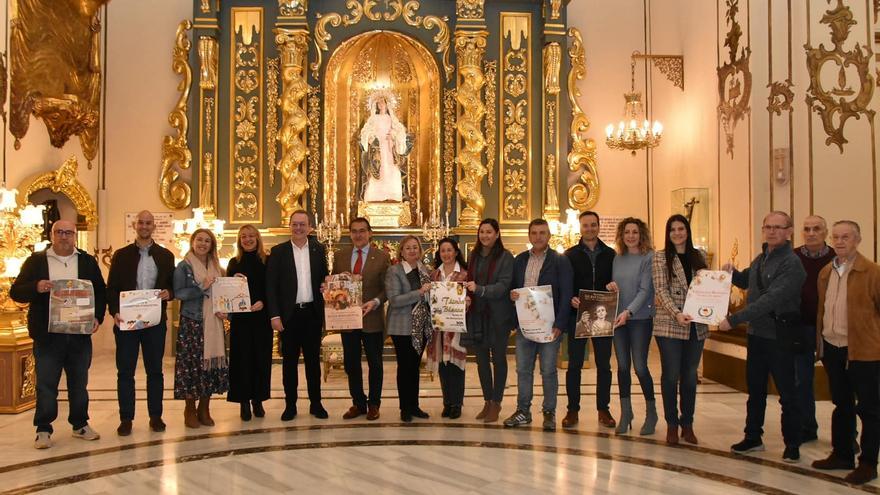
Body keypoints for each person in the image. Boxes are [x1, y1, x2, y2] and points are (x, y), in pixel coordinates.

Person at [11, 220, 106, 449]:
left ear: (75, 236)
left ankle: (80, 424)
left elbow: (100, 291)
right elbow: (16, 292)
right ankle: (43, 429)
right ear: (52, 235)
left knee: (79, 383)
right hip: (47, 336)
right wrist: (36, 286)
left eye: (68, 233)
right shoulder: (36, 261)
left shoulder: (86, 261)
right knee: (46, 384)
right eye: (59, 232)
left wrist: (97, 317)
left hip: (78, 335)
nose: (64, 237)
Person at [720, 211, 806, 463]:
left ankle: (792, 443)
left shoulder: (792, 263)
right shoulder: (761, 257)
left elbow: (771, 299)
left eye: (778, 227)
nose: (771, 231)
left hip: (780, 336)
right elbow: (748, 281)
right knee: (755, 390)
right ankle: (753, 436)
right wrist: (732, 273)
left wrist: (734, 319)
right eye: (767, 227)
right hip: (757, 336)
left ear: (790, 231)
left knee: (787, 393)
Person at [812, 220, 880, 484]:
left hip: (863, 351)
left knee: (869, 409)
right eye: (836, 237)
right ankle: (842, 454)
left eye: (846, 237)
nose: (840, 242)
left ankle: (868, 463)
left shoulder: (872, 272)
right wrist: (820, 343)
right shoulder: (826, 272)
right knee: (841, 404)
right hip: (833, 348)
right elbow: (822, 309)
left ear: (858, 239)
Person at [106, 210, 175, 436]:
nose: (145, 226)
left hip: (154, 322)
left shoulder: (166, 256)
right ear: (136, 226)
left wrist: (170, 293)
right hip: (127, 321)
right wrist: (114, 312)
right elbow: (112, 287)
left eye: (149, 223)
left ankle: (156, 416)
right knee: (125, 371)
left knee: (155, 370)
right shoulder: (121, 255)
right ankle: (126, 418)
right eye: (141, 223)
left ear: (154, 226)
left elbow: (172, 285)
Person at [505, 218, 574, 431]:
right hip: (526, 326)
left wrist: (560, 325)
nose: (538, 237)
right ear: (529, 236)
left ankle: (549, 412)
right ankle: (523, 411)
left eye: (542, 233)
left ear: (549, 236)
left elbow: (566, 293)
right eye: (534, 233)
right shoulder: (520, 260)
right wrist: (513, 295)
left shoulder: (559, 260)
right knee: (523, 370)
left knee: (548, 371)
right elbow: (514, 288)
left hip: (549, 326)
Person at [266, 210, 330, 421]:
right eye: (295, 224)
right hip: (289, 316)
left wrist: (325, 286)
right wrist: (274, 316)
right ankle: (290, 405)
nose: (298, 228)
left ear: (310, 227)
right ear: (290, 226)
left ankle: (316, 404)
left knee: (313, 364)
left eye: (303, 224)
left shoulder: (318, 250)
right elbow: (271, 287)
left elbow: (324, 279)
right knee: (289, 364)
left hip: (311, 314)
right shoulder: (278, 252)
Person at [652, 214, 709, 445]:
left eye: (681, 228)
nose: (677, 233)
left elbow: (707, 288)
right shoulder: (660, 258)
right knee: (670, 375)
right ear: (668, 233)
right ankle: (672, 425)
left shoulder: (700, 256)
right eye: (673, 229)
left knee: (689, 377)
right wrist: (677, 313)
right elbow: (661, 289)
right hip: (670, 324)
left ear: (687, 231)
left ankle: (688, 424)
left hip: (697, 325)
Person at [331, 217, 390, 421]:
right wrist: (331, 284)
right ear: (350, 234)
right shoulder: (340, 256)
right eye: (354, 231)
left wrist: (375, 301)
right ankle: (358, 403)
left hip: (372, 318)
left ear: (370, 233)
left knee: (375, 363)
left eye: (362, 231)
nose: (358, 235)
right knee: (351, 363)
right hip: (347, 319)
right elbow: (332, 284)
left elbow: (387, 289)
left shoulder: (382, 257)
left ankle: (374, 404)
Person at [563, 211, 617, 429]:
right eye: (586, 226)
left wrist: (614, 286)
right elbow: (564, 284)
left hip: (605, 316)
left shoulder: (611, 255)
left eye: (593, 225)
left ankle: (603, 409)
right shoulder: (569, 254)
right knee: (574, 364)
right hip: (578, 316)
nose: (590, 229)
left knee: (604, 365)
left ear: (599, 226)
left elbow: (616, 281)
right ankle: (572, 410)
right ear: (580, 227)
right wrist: (570, 299)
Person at [172, 228, 229, 428]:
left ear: (212, 245)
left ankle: (204, 408)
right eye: (199, 240)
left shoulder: (218, 267)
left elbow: (223, 294)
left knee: (209, 366)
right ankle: (189, 409)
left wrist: (224, 310)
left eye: (207, 241)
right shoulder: (183, 266)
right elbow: (179, 293)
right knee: (192, 367)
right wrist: (201, 287)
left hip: (213, 322)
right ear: (192, 242)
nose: (203, 244)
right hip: (193, 323)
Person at [606, 217, 656, 436]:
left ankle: (651, 413)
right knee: (623, 367)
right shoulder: (618, 258)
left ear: (641, 234)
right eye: (627, 232)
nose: (631, 236)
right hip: (618, 320)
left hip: (640, 319)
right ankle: (626, 413)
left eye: (635, 232)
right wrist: (611, 287)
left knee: (641, 366)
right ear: (622, 235)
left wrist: (629, 312)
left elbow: (646, 290)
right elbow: (616, 286)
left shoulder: (649, 257)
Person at [465, 218, 514, 423]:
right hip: (477, 315)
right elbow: (469, 281)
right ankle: (487, 401)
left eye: (489, 232)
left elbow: (503, 286)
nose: (484, 236)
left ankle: (497, 402)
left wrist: (480, 289)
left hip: (498, 317)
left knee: (499, 360)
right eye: (482, 232)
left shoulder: (505, 256)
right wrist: (467, 295)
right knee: (481, 362)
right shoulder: (474, 255)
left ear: (497, 234)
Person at [793, 215, 834, 442]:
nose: (811, 233)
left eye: (816, 229)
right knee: (802, 380)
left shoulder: (836, 258)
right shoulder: (793, 257)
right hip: (802, 328)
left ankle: (847, 435)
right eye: (807, 229)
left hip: (831, 330)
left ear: (825, 232)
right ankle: (807, 427)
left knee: (840, 382)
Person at [225, 225, 272, 421]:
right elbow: (226, 291)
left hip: (261, 318)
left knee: (260, 360)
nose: (248, 239)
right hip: (241, 320)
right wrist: (231, 280)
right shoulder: (233, 263)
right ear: (239, 240)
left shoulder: (267, 260)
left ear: (258, 238)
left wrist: (264, 302)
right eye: (243, 236)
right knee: (241, 360)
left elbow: (272, 286)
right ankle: (243, 402)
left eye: (251, 236)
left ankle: (258, 400)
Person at [385, 235, 433, 422]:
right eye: (408, 248)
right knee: (404, 367)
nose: (412, 251)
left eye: (415, 247)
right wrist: (419, 292)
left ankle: (414, 406)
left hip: (421, 325)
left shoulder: (425, 270)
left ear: (420, 250)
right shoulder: (394, 271)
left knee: (415, 367)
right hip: (401, 327)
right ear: (402, 252)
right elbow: (395, 300)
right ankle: (404, 408)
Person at [428, 237, 469, 419]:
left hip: (457, 328)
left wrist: (468, 301)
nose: (446, 254)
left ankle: (457, 404)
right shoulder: (434, 275)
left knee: (456, 365)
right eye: (442, 251)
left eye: (449, 250)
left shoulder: (465, 275)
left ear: (456, 252)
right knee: (444, 365)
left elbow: (471, 297)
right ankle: (447, 402)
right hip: (439, 328)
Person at [360, 92, 411, 202]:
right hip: (377, 149)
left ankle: (392, 194)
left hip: (389, 147)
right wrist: (371, 137)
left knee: (391, 169)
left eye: (383, 103)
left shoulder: (391, 118)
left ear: (387, 105)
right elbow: (365, 132)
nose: (381, 105)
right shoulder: (374, 118)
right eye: (379, 103)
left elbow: (400, 132)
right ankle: (375, 196)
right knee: (378, 169)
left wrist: (393, 135)